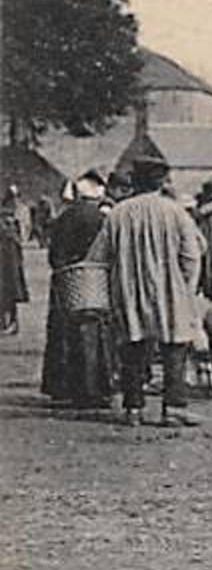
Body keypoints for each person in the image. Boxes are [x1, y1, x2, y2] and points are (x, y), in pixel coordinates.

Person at [84, 144, 206, 427]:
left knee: (132, 347)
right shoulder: (175, 213)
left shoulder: (117, 214)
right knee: (174, 346)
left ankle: (133, 408)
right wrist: (186, 287)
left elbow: (97, 257)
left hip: (128, 290)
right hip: (170, 290)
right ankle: (173, 407)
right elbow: (192, 255)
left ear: (134, 183)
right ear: (160, 183)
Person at [40, 171, 116, 407]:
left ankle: (63, 386)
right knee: (95, 333)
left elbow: (54, 255)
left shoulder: (64, 218)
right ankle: (94, 389)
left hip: (66, 280)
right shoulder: (103, 218)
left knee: (64, 333)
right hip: (96, 280)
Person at [0, 186, 27, 335]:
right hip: (8, 262)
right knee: (7, 293)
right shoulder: (9, 218)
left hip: (8, 263)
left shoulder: (9, 220)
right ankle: (7, 323)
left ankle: (10, 323)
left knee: (8, 293)